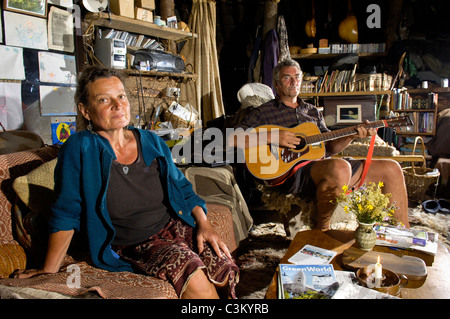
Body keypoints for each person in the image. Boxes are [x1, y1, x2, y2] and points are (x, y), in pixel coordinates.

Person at [13, 66, 239, 299]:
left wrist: (204, 222)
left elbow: (181, 187)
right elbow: (66, 211)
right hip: (137, 242)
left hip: (173, 225)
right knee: (199, 284)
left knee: (222, 265)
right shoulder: (80, 147)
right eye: (104, 99)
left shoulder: (151, 140)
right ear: (86, 110)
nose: (117, 105)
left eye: (121, 96)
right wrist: (47, 270)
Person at [228, 59, 410, 230]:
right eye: (287, 77)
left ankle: (403, 237)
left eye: (297, 77)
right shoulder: (264, 112)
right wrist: (274, 136)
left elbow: (328, 148)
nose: (294, 81)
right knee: (340, 167)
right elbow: (233, 138)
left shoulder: (312, 111)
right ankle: (322, 231)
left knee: (391, 168)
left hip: (320, 166)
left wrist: (352, 135)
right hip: (288, 171)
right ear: (276, 84)